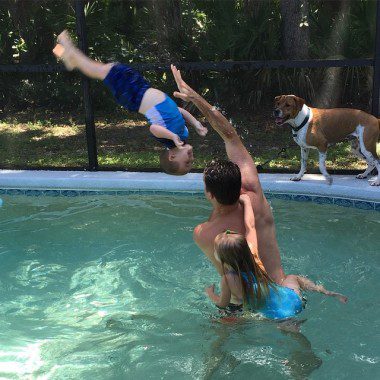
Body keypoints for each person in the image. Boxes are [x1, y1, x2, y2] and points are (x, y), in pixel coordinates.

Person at [170, 65, 285, 289]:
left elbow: (229, 279)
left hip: (245, 303)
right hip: (281, 287)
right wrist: (195, 98)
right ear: (238, 179)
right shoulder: (253, 193)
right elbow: (230, 135)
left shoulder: (205, 233)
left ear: (210, 194)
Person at [52, 31, 207, 175]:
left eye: (187, 163)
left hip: (133, 95)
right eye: (192, 163)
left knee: (104, 70)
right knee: (103, 69)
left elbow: (153, 128)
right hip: (140, 88)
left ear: (172, 157)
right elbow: (179, 111)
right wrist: (196, 123)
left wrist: (172, 136)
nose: (191, 160)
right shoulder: (183, 134)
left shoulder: (167, 138)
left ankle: (67, 51)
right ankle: (67, 55)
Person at [204, 194, 348, 320]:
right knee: (292, 278)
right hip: (290, 301)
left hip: (269, 313)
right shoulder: (253, 258)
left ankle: (289, 325)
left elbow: (222, 304)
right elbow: (250, 226)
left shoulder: (227, 279)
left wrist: (210, 293)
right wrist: (247, 202)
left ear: (221, 257)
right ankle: (325, 291)